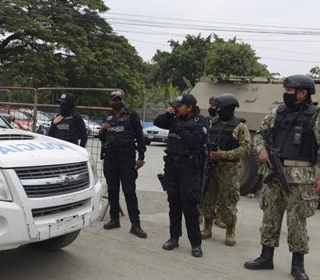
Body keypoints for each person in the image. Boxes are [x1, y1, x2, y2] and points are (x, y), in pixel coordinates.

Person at [244, 74, 320, 280]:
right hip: (274, 174)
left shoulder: (318, 117)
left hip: (301, 178)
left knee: (297, 221)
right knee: (270, 216)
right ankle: (266, 257)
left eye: (289, 91)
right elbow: (260, 134)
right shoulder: (277, 112)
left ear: (302, 92)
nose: (285, 94)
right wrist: (261, 150)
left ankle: (298, 265)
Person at [154, 93, 209, 257]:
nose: (176, 108)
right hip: (172, 166)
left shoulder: (201, 121)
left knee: (189, 206)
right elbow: (158, 122)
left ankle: (195, 243)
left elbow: (194, 141)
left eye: (179, 106)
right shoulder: (174, 118)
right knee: (174, 204)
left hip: (190, 169)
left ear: (190, 107)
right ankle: (173, 237)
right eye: (175, 106)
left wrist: (178, 125)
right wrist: (169, 114)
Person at [199, 93, 251, 246]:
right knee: (208, 199)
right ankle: (207, 228)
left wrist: (223, 154)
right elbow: (204, 141)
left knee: (229, 201)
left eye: (220, 108)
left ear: (229, 109)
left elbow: (246, 148)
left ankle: (230, 231)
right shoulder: (212, 123)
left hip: (229, 169)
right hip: (211, 167)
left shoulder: (240, 125)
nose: (217, 111)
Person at [99, 89, 147, 238]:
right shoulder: (107, 117)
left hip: (127, 157)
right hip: (111, 158)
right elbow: (102, 138)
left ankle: (136, 224)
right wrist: (102, 130)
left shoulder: (131, 115)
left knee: (129, 192)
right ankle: (114, 219)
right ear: (110, 101)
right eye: (114, 100)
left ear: (122, 100)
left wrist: (141, 156)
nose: (117, 102)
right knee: (112, 190)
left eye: (119, 99)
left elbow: (140, 136)